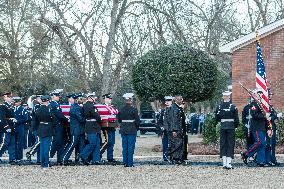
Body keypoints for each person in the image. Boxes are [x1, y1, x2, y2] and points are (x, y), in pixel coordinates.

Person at [241, 89, 272, 167]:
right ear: (255, 95)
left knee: (262, 144)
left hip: (262, 127)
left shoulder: (260, 104)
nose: (260, 95)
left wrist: (268, 127)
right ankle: (246, 154)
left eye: (261, 93)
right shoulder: (253, 104)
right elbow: (255, 115)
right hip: (256, 127)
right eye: (259, 93)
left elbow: (264, 118)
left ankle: (257, 159)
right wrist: (265, 116)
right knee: (259, 142)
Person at [215, 91, 239, 169]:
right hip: (231, 127)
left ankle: (225, 163)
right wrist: (235, 126)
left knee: (223, 144)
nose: (225, 97)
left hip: (223, 126)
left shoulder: (219, 107)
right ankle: (228, 163)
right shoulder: (233, 107)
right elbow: (236, 119)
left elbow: (217, 118)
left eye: (225, 96)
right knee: (229, 144)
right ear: (229, 97)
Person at [117, 93, 140, 167]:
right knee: (130, 146)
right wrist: (137, 128)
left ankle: (125, 162)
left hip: (123, 128)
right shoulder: (134, 109)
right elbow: (137, 121)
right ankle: (130, 163)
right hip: (132, 129)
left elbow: (119, 120)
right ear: (131, 100)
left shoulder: (121, 109)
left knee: (125, 146)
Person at [62, 93, 85, 165]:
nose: (81, 100)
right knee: (72, 144)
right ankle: (64, 158)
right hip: (76, 129)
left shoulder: (78, 107)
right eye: (80, 99)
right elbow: (81, 119)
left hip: (80, 129)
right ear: (76, 100)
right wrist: (87, 118)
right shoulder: (75, 107)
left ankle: (79, 159)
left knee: (81, 145)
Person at [80, 92, 102, 165]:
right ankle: (83, 155)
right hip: (93, 126)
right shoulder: (91, 106)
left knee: (96, 143)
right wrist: (100, 118)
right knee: (93, 143)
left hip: (90, 126)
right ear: (90, 98)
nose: (94, 98)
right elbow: (97, 116)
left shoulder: (84, 106)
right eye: (93, 97)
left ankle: (96, 159)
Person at [49, 89, 69, 165]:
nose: (58, 97)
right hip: (56, 126)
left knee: (60, 143)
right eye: (57, 96)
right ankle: (48, 157)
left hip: (59, 126)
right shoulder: (53, 104)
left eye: (58, 96)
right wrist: (67, 119)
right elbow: (59, 115)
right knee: (56, 143)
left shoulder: (56, 104)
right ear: (53, 96)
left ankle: (60, 159)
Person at [34, 95, 54, 168]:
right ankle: (46, 163)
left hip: (40, 128)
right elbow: (53, 119)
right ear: (48, 101)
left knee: (42, 147)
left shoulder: (38, 109)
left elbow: (35, 120)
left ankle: (42, 163)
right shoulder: (49, 109)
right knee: (47, 148)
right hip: (48, 129)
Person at [100, 93, 119, 164]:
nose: (110, 100)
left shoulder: (112, 107)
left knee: (112, 142)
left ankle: (110, 157)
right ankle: (98, 154)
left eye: (110, 99)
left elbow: (116, 113)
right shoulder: (102, 107)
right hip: (106, 127)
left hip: (112, 126)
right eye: (108, 98)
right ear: (105, 99)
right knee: (108, 141)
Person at [167, 95, 185, 165]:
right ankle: (174, 158)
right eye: (180, 99)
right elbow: (173, 120)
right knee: (176, 144)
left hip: (179, 129)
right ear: (176, 100)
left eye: (181, 99)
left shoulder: (178, 108)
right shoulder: (174, 108)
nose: (181, 100)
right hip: (176, 129)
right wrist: (174, 130)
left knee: (179, 144)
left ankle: (178, 158)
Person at [0, 92, 16, 164]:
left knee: (12, 143)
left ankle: (12, 159)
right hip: (5, 128)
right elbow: (2, 118)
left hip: (12, 127)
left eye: (11, 97)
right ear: (5, 98)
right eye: (9, 97)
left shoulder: (11, 106)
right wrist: (6, 127)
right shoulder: (3, 106)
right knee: (4, 143)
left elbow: (10, 116)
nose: (10, 98)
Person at [13, 97, 29, 161]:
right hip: (14, 128)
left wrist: (17, 121)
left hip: (20, 127)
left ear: (20, 102)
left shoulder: (22, 109)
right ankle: (15, 156)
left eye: (17, 102)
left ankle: (19, 157)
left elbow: (25, 119)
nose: (15, 103)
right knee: (14, 143)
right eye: (15, 102)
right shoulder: (13, 109)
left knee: (20, 143)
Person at [157, 96, 172, 161]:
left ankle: (171, 157)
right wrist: (161, 127)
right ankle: (165, 157)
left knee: (172, 145)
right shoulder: (163, 111)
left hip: (171, 130)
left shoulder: (174, 110)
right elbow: (159, 122)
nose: (167, 102)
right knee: (165, 144)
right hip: (164, 131)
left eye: (169, 101)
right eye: (166, 101)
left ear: (172, 102)